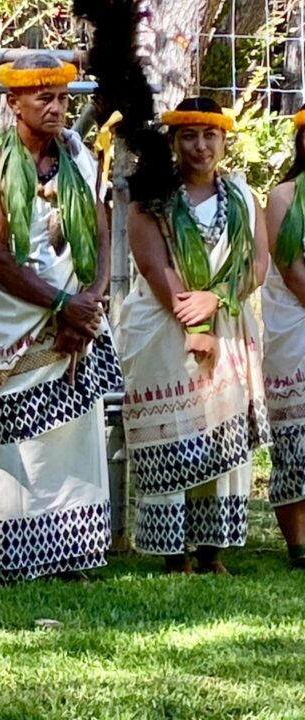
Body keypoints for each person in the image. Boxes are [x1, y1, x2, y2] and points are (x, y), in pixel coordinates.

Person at [0, 53, 123, 585]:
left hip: (77, 316)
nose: (56, 108)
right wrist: (61, 305)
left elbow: (103, 234)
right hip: (14, 322)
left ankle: (69, 554)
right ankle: (8, 559)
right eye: (43, 98)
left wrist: (92, 300)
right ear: (14, 103)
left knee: (74, 436)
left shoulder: (79, 163)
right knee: (14, 441)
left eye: (61, 98)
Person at [118, 97, 269, 573]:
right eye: (189, 136)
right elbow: (155, 266)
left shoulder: (244, 198)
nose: (200, 147)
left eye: (210, 136)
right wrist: (194, 316)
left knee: (218, 434)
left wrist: (217, 299)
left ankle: (211, 552)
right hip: (164, 325)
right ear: (173, 141)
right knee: (173, 432)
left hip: (227, 324)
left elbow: (258, 266)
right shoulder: (153, 198)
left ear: (225, 140)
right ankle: (172, 554)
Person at [260, 108, 305, 570]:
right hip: (296, 326)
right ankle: (299, 545)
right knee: (297, 432)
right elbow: (291, 270)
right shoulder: (284, 196)